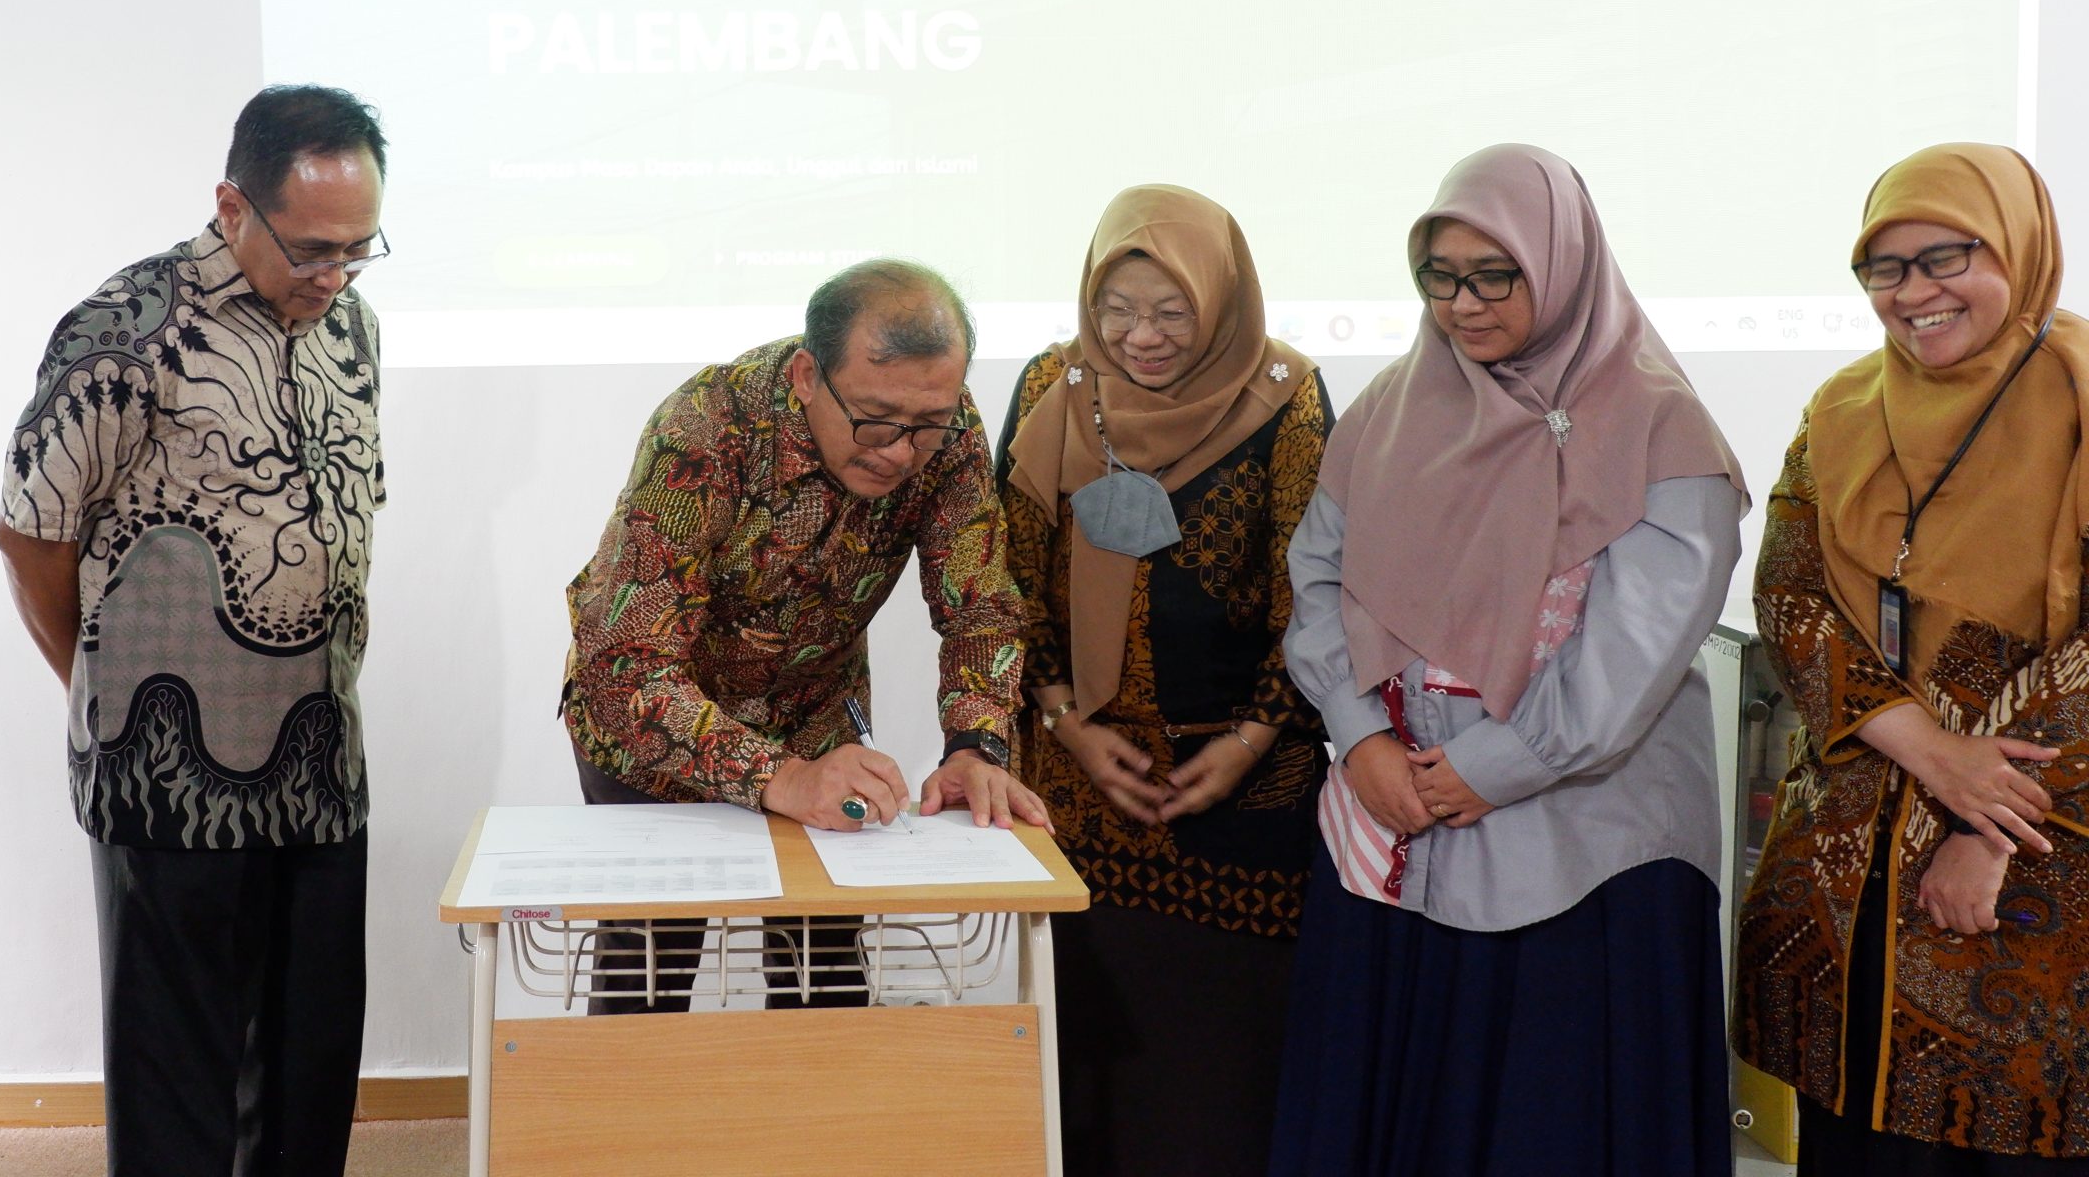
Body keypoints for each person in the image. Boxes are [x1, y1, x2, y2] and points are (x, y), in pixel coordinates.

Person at [1269, 144, 1747, 1177]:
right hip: (1393, 823)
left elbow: (1637, 645)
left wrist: (1493, 767)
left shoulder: (1660, 424)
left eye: (1496, 276)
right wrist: (1358, 738)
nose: (1463, 305)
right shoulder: (1391, 410)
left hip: (1582, 853)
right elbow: (1318, 578)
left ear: (1562, 264)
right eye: (1439, 277)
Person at [0, 85, 388, 1176]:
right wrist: (100, 684)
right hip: (168, 775)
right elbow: (31, 535)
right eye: (312, 249)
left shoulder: (349, 325)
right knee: (179, 1085)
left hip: (320, 760)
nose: (334, 276)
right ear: (232, 207)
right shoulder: (126, 331)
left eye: (358, 249)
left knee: (310, 1068)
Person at [561, 257, 1047, 1012]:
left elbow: (979, 604)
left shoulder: (942, 425)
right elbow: (625, 665)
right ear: (806, 376)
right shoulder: (705, 429)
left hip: (817, 717)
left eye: (925, 427)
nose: (899, 451)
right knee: (650, 964)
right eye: (874, 420)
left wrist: (974, 745)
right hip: (661, 727)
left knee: (824, 964)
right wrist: (781, 780)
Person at [1735, 144, 2089, 1173]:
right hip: (1843, 878)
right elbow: (1791, 595)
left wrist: (1988, 827)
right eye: (1883, 267)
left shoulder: (2081, 398)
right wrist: (1934, 753)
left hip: (2035, 879)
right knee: (1854, 1142)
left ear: (2018, 248)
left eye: (1947, 257)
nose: (1913, 291)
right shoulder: (1842, 408)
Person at [996, 185, 1330, 1176]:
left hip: (1241, 802)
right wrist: (1065, 724)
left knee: (1220, 1091)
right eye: (1117, 310)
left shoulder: (1288, 397)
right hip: (1082, 799)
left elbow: (1315, 596)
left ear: (1220, 300)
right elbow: (1009, 577)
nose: (1139, 337)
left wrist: (1249, 742)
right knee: (1090, 1082)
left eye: (1171, 311)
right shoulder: (1054, 384)